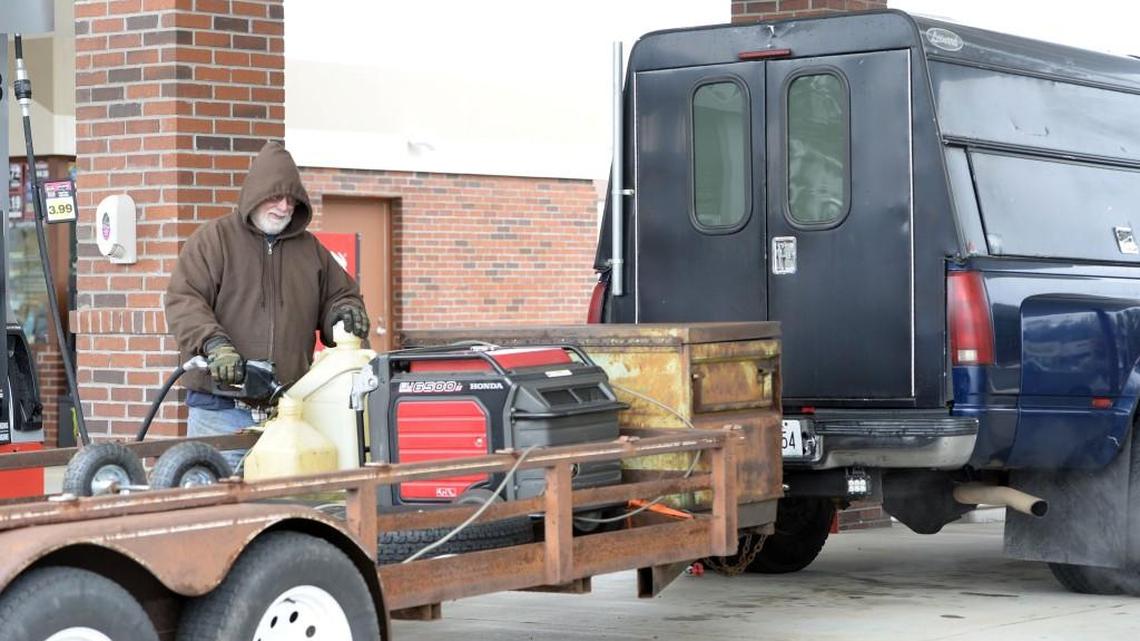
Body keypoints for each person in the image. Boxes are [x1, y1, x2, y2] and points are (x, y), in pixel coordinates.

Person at [165, 141, 369, 470]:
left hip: (289, 413)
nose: (284, 206)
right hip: (220, 409)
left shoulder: (311, 251)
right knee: (218, 502)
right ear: (255, 194)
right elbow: (184, 300)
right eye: (275, 196)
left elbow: (340, 297)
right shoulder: (214, 240)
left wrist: (342, 316)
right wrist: (214, 344)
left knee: (280, 507)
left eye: (292, 199)